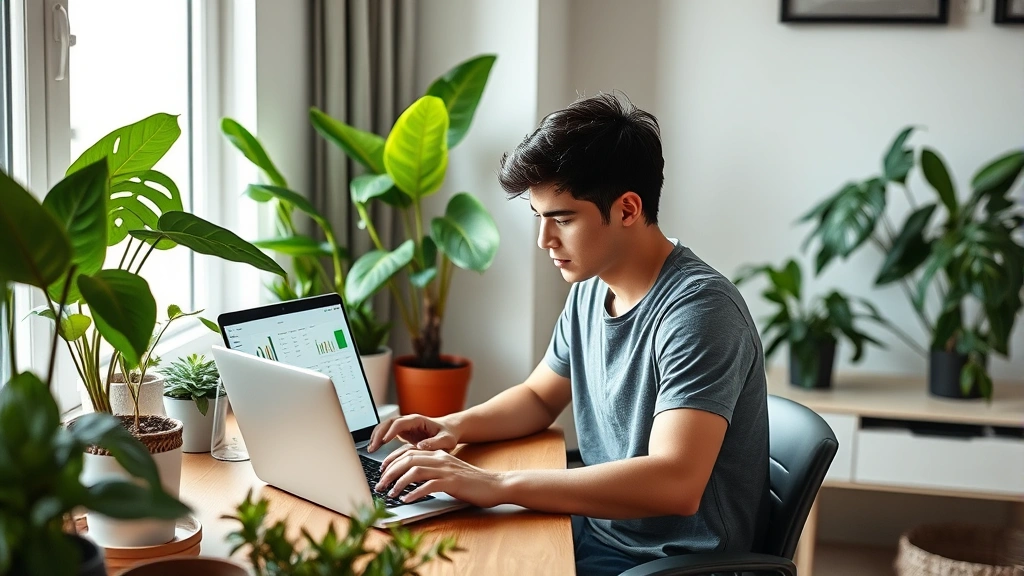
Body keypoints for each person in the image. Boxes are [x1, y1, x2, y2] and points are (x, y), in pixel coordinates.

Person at [368, 92, 768, 576]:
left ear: (627, 209)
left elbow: (675, 483)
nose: (544, 241)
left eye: (562, 219)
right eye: (539, 218)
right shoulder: (591, 286)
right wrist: (454, 427)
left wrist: (496, 483)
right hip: (598, 529)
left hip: (669, 561)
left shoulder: (700, 311)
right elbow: (539, 397)